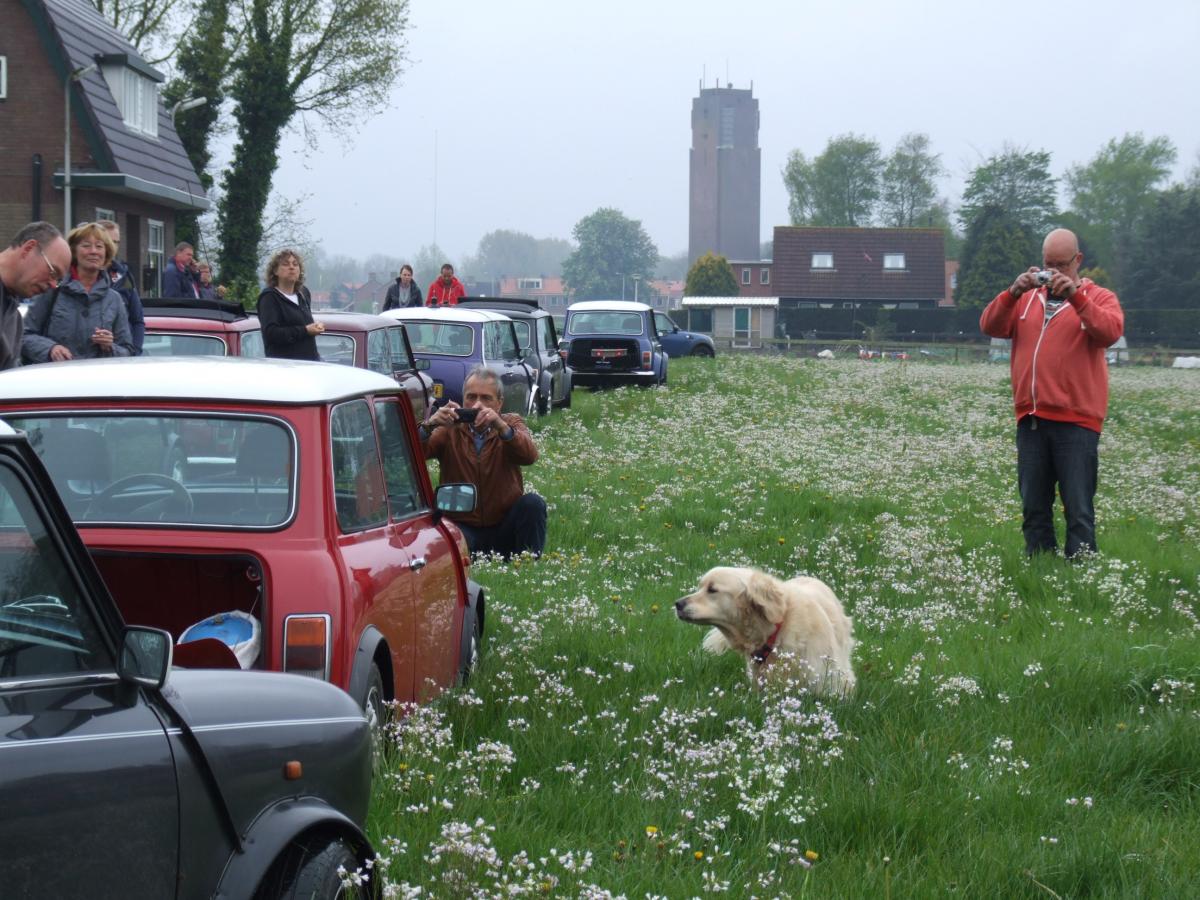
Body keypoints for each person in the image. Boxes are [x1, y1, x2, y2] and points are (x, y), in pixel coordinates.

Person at [980, 228, 1124, 558]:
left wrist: (1076, 296)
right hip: (1031, 420)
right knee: (1034, 508)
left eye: (1062, 264)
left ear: (1078, 261)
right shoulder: (1027, 299)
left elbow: (1109, 332)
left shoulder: (1099, 298)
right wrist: (1012, 292)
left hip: (1077, 423)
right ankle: (1041, 570)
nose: (1054, 272)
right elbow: (990, 325)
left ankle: (1082, 573)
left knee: (1079, 509)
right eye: (1049, 264)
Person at [419, 365, 546, 558]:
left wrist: (501, 427)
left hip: (504, 524)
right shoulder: (450, 429)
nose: (477, 405)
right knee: (448, 530)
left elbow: (529, 456)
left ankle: (530, 563)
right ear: (463, 400)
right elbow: (415, 455)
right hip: (463, 525)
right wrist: (430, 425)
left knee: (533, 504)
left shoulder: (511, 423)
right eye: (471, 397)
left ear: (499, 403)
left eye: (486, 398)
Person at [21, 222, 135, 363]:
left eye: (99, 246)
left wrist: (109, 346)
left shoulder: (114, 299)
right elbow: (24, 335)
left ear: (106, 254)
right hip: (55, 380)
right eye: (86, 245)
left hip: (99, 382)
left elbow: (128, 351)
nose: (93, 251)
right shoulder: (53, 291)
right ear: (74, 252)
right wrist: (51, 348)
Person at [0, 221, 72, 370]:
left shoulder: (15, 321)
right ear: (28, 248)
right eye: (53, 272)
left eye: (58, 280)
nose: (53, 285)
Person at [257, 248, 324, 360]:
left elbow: (304, 324)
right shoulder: (269, 297)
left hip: (310, 365)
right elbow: (271, 333)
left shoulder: (304, 293)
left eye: (295, 264)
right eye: (285, 264)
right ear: (275, 271)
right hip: (285, 368)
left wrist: (315, 327)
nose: (292, 267)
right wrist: (306, 330)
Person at [97, 220, 145, 355]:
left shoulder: (123, 275)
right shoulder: (87, 275)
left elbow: (137, 320)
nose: (113, 246)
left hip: (122, 355)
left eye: (116, 242)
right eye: (109, 241)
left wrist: (135, 352)